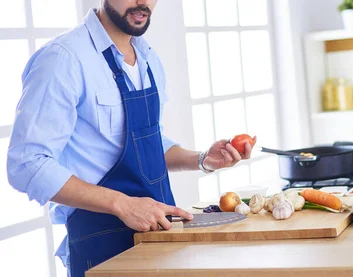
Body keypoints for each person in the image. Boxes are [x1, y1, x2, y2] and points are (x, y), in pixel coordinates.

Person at [6, 1, 254, 276]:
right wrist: (123, 205)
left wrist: (201, 159)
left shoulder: (147, 57)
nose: (142, 1)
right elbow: (27, 164)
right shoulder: (63, 58)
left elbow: (144, 143)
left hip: (160, 241)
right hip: (102, 249)